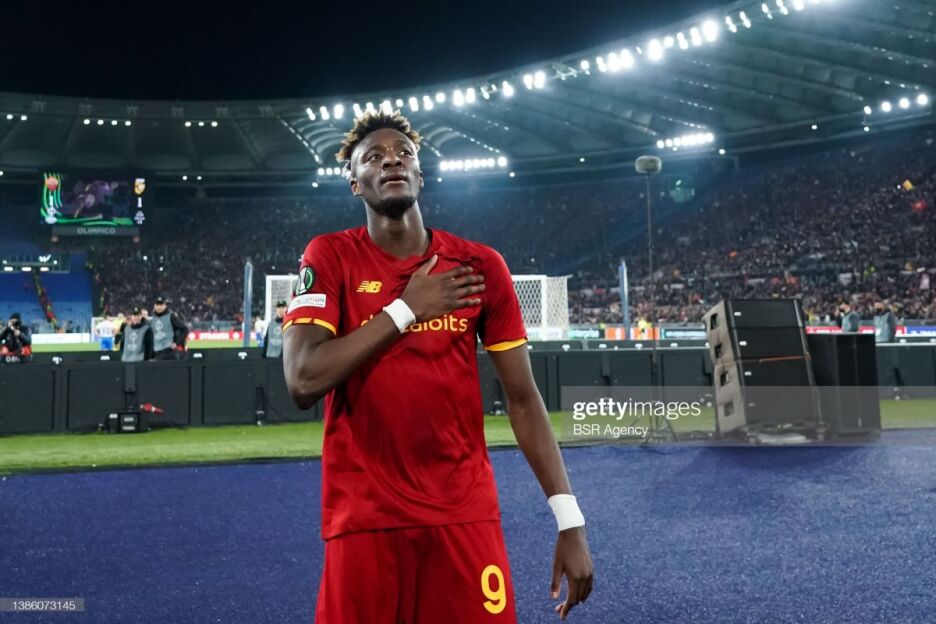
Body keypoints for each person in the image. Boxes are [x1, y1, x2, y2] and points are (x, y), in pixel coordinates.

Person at [283, 110, 593, 623]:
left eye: (403, 154)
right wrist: (407, 309)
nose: (391, 162)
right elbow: (302, 378)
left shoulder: (479, 267)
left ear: (420, 174)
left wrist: (569, 518)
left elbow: (523, 398)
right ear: (354, 182)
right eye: (373, 157)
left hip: (463, 516)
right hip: (364, 519)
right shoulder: (330, 256)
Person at [150, 296, 188, 360]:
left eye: (161, 305)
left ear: (165, 305)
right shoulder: (152, 318)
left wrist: (176, 343)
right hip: (157, 353)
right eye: (157, 305)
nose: (159, 307)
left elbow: (185, 329)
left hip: (169, 352)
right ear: (154, 306)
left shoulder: (171, 316)